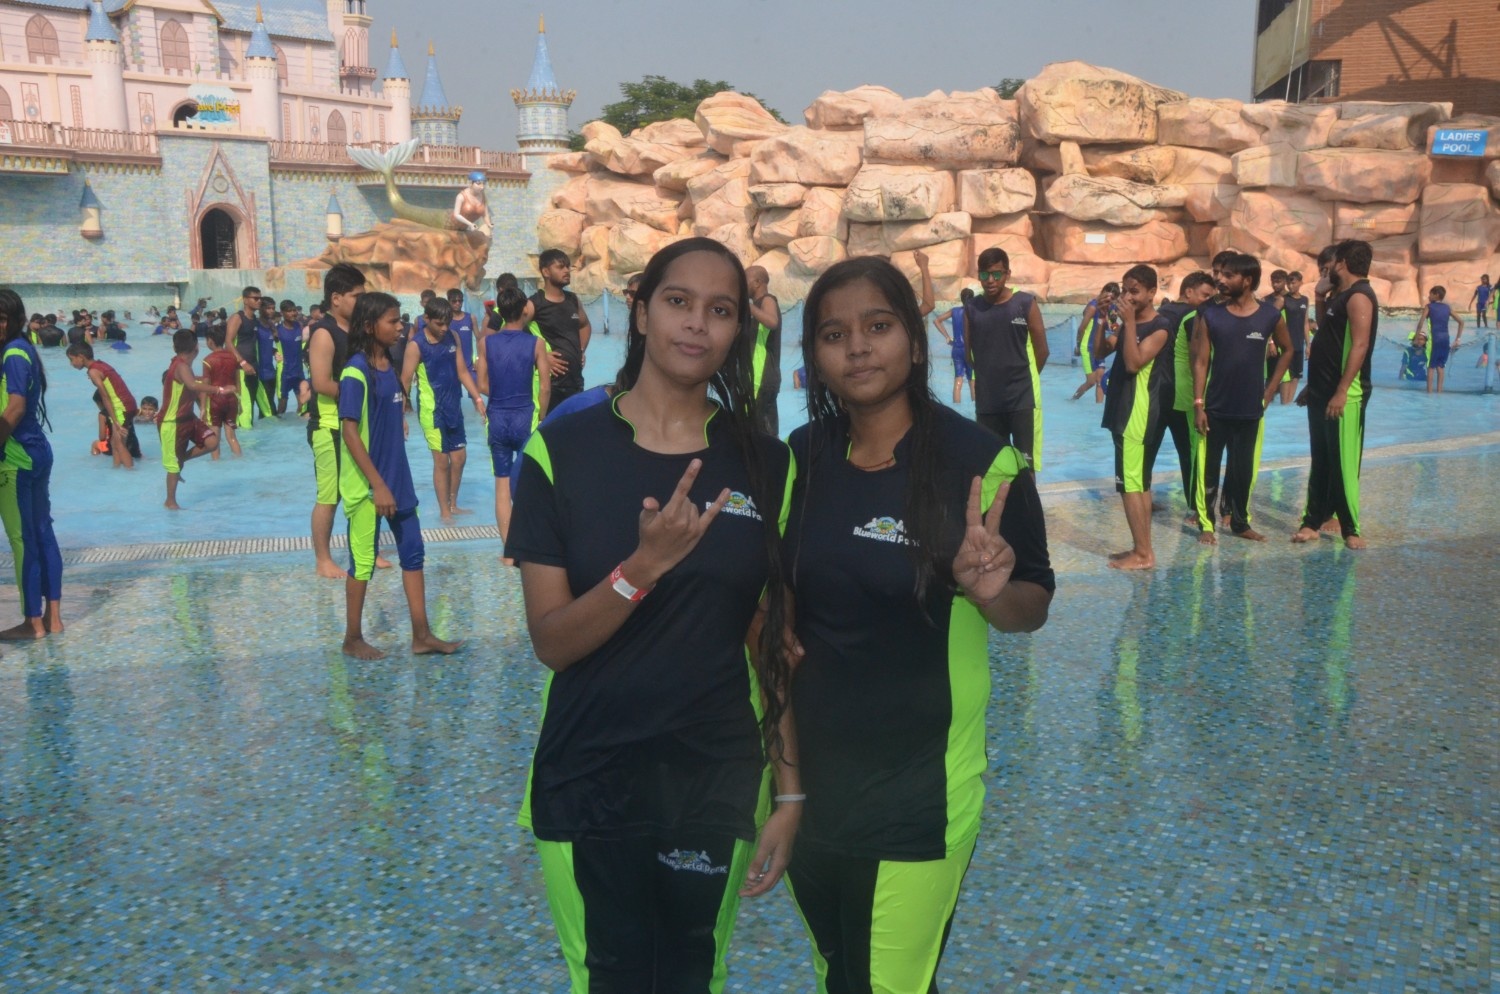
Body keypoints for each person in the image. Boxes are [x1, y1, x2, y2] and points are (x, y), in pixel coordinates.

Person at [507, 237, 798, 993]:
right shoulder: (559, 451)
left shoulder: (766, 463)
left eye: (720, 310)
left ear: (738, 330)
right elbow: (551, 642)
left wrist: (791, 790)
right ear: (640, 313)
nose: (697, 323)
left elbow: (771, 640)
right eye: (677, 302)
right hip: (589, 775)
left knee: (695, 977)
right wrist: (641, 570)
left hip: (714, 775)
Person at [785, 256, 1054, 994]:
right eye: (834, 334)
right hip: (810, 787)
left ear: (912, 335)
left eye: (878, 326)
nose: (858, 348)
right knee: (842, 972)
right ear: (814, 354)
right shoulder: (803, 457)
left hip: (920, 789)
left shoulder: (984, 463)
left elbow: (1032, 605)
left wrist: (989, 593)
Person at [337, 292, 461, 660]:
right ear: (368, 326)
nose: (400, 328)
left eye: (400, 320)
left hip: (399, 480)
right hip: (368, 487)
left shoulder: (388, 366)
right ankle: (352, 638)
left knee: (414, 553)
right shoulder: (355, 372)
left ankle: (422, 635)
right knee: (363, 562)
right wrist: (377, 485)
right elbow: (349, 431)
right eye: (392, 321)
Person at [1190, 252, 1292, 544]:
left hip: (1250, 408)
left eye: (1228, 275)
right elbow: (1201, 362)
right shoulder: (1212, 315)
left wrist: (1271, 389)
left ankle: (1240, 522)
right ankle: (1206, 524)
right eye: (1221, 274)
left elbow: (1288, 349)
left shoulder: (1270, 316)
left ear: (1247, 281)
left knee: (1243, 470)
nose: (1220, 280)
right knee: (1208, 469)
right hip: (1215, 407)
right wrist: (1198, 404)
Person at [1294, 240, 1377, 549]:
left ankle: (1351, 528)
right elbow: (1327, 335)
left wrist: (1341, 391)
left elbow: (1360, 345)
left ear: (1342, 263)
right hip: (1322, 391)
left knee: (1343, 461)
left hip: (1345, 394)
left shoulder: (1359, 297)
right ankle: (1312, 522)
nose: (1326, 271)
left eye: (1330, 266)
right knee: (1321, 459)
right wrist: (1319, 296)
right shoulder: (1340, 296)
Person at [0, 288, 64, 641]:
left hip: (15, 458)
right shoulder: (24, 349)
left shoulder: (11, 353)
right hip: (37, 450)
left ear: (16, 320)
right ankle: (53, 619)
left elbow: (15, 408)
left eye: (2, 318)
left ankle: (33, 622)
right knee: (42, 533)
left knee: (22, 539)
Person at [1101, 265, 1172, 570]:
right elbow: (1101, 351)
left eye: (1135, 291)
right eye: (1125, 290)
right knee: (1139, 482)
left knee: (1130, 484)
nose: (1128, 296)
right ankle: (1140, 548)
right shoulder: (1127, 324)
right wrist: (1103, 320)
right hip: (1122, 409)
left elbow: (1133, 363)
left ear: (1152, 292)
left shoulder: (1160, 326)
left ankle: (1144, 554)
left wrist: (1128, 322)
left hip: (1137, 414)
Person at [476, 286, 549, 562]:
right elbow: (545, 387)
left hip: (497, 416)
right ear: (523, 310)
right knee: (529, 484)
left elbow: (482, 384)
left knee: (502, 485)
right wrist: (542, 417)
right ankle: (529, 546)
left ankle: (508, 553)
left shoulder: (486, 343)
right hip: (525, 417)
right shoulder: (536, 343)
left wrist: (499, 394)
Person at [401, 296, 485, 525]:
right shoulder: (416, 345)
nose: (444, 328)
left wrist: (477, 398)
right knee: (442, 462)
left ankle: (453, 503)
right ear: (426, 318)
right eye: (439, 323)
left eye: (447, 323)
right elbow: (405, 381)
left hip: (453, 406)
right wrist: (401, 416)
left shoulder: (453, 337)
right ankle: (444, 511)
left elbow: (462, 371)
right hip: (432, 411)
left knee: (459, 458)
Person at [308, 263, 368, 578]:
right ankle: (323, 559)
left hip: (354, 423)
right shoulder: (324, 333)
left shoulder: (357, 331)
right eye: (357, 296)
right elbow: (321, 383)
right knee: (329, 496)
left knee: (360, 491)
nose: (362, 301)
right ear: (336, 298)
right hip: (329, 425)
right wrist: (358, 395)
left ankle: (364, 552)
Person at [965, 247, 1049, 466]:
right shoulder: (972, 308)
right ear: (979, 276)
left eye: (996, 274)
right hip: (987, 403)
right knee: (993, 469)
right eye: (985, 274)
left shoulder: (1025, 304)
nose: (990, 280)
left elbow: (1042, 351)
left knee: (1025, 468)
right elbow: (969, 355)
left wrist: (1021, 379)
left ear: (1007, 274)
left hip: (1022, 401)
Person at [1160, 271, 1216, 523]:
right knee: (1191, 452)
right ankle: (1196, 505)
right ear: (1189, 291)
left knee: (1153, 448)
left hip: (1161, 390)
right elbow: (1198, 360)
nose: (1208, 301)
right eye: (1205, 295)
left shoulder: (1162, 312)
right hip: (1185, 394)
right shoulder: (1194, 317)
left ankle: (1142, 496)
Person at [157, 329, 225, 510]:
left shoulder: (183, 366)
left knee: (212, 442)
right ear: (197, 347)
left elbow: (192, 389)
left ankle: (181, 460)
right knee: (172, 467)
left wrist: (201, 407)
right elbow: (193, 385)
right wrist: (219, 389)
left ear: (174, 347)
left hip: (188, 418)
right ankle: (170, 502)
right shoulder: (180, 366)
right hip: (172, 422)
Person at [529, 249, 592, 413]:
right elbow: (512, 334)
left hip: (575, 382)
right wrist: (540, 357)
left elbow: (585, 325)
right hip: (550, 386)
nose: (566, 271)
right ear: (546, 272)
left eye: (567, 267)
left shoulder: (573, 300)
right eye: (560, 267)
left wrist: (580, 350)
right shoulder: (535, 304)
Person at [65, 341, 140, 469]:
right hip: (127, 403)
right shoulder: (100, 364)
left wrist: (115, 421)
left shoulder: (93, 371)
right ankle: (116, 469)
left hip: (121, 407)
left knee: (119, 444)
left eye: (72, 359)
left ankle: (131, 472)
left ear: (81, 357)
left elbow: (105, 396)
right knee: (114, 442)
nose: (71, 364)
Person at [202, 326, 253, 459]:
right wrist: (239, 401)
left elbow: (205, 386)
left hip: (215, 401)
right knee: (232, 437)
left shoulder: (207, 360)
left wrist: (202, 408)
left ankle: (216, 464)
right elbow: (238, 382)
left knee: (215, 437)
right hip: (231, 400)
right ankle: (240, 460)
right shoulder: (233, 358)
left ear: (210, 341)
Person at [747, 264, 783, 435]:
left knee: (761, 429)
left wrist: (749, 307)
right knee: (755, 427)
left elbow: (772, 322)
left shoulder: (767, 300)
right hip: (756, 378)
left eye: (745, 280)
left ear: (757, 282)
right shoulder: (756, 308)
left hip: (762, 377)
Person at [1071, 282, 1120, 402]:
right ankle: (1073, 399)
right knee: (1091, 381)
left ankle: (1098, 407)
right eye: (1108, 297)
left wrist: (1114, 324)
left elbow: (1111, 326)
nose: (1110, 301)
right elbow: (1081, 329)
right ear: (1102, 292)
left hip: (1099, 347)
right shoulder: (1093, 307)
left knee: (1100, 380)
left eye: (1113, 299)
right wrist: (1078, 346)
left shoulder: (1111, 308)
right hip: (1087, 347)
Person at [1414, 286, 1462, 394]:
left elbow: (1420, 323)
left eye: (1430, 294)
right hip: (1446, 339)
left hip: (1434, 340)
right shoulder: (1447, 308)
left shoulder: (1429, 307)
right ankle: (1440, 393)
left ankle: (1429, 393)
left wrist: (1416, 339)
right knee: (1440, 367)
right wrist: (1457, 339)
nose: (1428, 296)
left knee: (1431, 367)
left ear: (1436, 295)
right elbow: (1461, 322)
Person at [934, 288, 976, 403]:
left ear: (961, 299)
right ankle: (975, 407)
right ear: (972, 299)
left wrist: (947, 337)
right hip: (970, 350)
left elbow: (936, 321)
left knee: (958, 380)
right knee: (972, 382)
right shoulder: (974, 313)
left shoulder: (954, 311)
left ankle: (956, 406)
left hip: (956, 349)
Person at [1281, 270, 1312, 405]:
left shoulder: (1305, 300)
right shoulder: (1283, 299)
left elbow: (1305, 323)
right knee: (1286, 375)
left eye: (1293, 283)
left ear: (1300, 283)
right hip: (1287, 344)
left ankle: (1289, 404)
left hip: (1299, 343)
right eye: (1288, 283)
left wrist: (1308, 345)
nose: (1290, 286)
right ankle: (1283, 403)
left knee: (1296, 376)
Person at [274, 299, 308, 415]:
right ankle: (279, 425)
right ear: (282, 313)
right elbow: (266, 346)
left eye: (294, 310)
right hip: (285, 372)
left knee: (302, 405)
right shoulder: (277, 330)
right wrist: (275, 353)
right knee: (282, 405)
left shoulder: (299, 326)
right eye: (289, 311)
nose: (293, 313)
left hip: (298, 371)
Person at [446, 288, 479, 373]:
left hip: (469, 366)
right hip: (450, 367)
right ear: (449, 302)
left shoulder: (471, 318)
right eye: (454, 301)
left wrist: (478, 358)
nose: (457, 303)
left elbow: (479, 339)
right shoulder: (445, 320)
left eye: (460, 301)